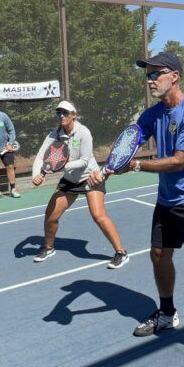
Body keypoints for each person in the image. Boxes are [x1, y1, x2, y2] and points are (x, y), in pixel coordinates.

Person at [89, 51, 184, 367]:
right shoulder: (152, 114)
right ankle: (167, 313)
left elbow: (179, 161)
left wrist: (135, 166)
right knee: (158, 255)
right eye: (147, 74)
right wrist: (105, 171)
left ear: (175, 76)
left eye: (156, 73)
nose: (150, 79)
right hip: (167, 199)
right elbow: (129, 144)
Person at [32, 100, 129, 269]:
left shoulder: (83, 132)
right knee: (51, 215)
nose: (62, 116)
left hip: (90, 177)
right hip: (70, 180)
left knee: (98, 215)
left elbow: (84, 161)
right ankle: (48, 247)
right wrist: (36, 174)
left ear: (74, 115)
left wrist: (60, 166)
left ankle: (121, 252)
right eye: (59, 113)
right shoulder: (54, 134)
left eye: (65, 113)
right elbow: (41, 157)